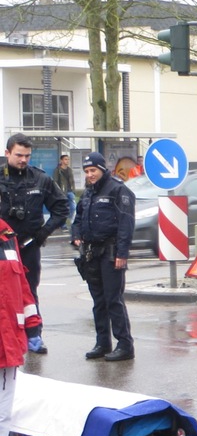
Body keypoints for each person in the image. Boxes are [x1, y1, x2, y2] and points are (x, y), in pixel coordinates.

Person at [2, 133, 69, 354]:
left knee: (29, 293)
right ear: (7, 153)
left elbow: (61, 208)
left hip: (29, 246)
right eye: (19, 155)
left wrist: (44, 233)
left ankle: (34, 336)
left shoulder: (41, 179)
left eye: (27, 156)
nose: (23, 160)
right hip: (3, 248)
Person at [71, 152, 136, 362]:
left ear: (102, 169)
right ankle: (103, 343)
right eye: (87, 171)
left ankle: (125, 345)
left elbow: (126, 224)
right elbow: (78, 218)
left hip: (110, 253)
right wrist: (76, 236)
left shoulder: (118, 190)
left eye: (93, 171)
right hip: (91, 254)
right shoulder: (88, 193)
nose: (90, 175)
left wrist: (122, 253)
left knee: (113, 300)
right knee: (98, 301)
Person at [0, 216, 43, 436]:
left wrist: (33, 325)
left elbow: (20, 283)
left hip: (7, 345)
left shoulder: (7, 235)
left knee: (2, 415)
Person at [53, 153, 77, 224]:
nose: (67, 161)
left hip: (70, 191)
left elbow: (72, 181)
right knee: (63, 208)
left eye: (68, 159)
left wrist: (73, 190)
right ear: (61, 160)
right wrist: (58, 192)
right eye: (66, 159)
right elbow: (55, 181)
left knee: (73, 207)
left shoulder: (69, 170)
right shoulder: (57, 170)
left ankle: (70, 220)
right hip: (62, 192)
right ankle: (63, 224)